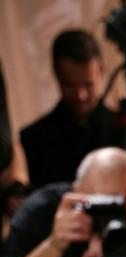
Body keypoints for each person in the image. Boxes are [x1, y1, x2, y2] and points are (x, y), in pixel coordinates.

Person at [19, 30, 115, 190]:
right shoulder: (33, 140)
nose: (80, 95)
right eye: (70, 85)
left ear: (101, 70)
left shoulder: (125, 131)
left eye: (88, 85)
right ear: (57, 75)